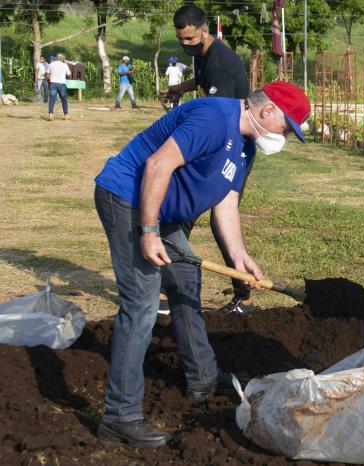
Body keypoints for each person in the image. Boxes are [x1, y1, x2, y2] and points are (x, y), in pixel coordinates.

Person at [93, 81, 310, 448]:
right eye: (287, 127)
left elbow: (226, 204)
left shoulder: (246, 145)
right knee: (142, 305)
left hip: (163, 215)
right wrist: (147, 232)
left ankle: (202, 377)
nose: (284, 136)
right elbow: (158, 164)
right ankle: (119, 415)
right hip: (129, 199)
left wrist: (241, 258)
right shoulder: (214, 117)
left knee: (185, 286)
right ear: (269, 110)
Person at [160, 5, 254, 313]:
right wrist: (179, 88)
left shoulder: (222, 66)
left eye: (190, 38)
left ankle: (241, 294)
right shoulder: (202, 55)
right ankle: (166, 286)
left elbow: (222, 118)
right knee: (186, 213)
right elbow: (203, 86)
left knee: (199, 214)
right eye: (180, 39)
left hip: (232, 145)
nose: (185, 44)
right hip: (220, 139)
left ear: (204, 30)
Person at [46, 53, 71, 121]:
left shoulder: (51, 64)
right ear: (62, 59)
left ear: (56, 58)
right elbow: (69, 75)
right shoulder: (65, 65)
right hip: (62, 84)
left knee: (52, 99)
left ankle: (50, 115)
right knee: (64, 100)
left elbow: (47, 74)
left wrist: (49, 82)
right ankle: (66, 116)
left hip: (53, 83)